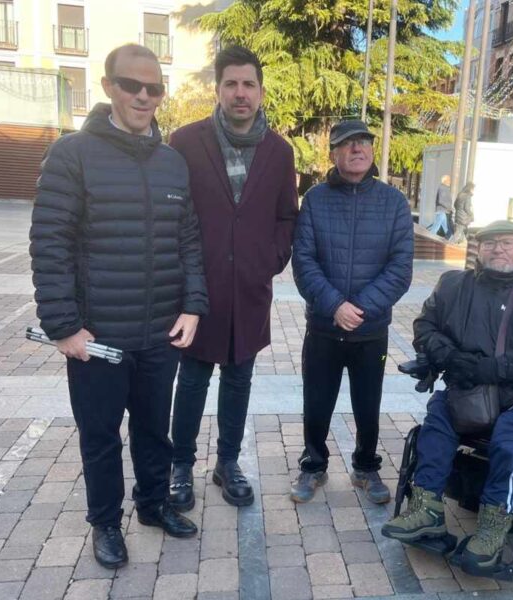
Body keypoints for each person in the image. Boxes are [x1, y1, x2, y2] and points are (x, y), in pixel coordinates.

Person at [30, 44, 207, 569]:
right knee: (101, 437)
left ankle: (152, 505)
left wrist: (193, 305)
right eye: (132, 85)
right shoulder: (72, 155)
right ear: (108, 87)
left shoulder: (172, 163)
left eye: (154, 88)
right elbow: (50, 243)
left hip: (159, 333)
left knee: (154, 430)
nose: (144, 96)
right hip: (98, 337)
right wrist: (63, 326)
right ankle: (106, 523)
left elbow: (189, 241)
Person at [381, 220, 513, 577]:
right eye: (489, 243)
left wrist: (494, 368)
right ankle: (426, 510)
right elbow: (425, 327)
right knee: (437, 423)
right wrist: (451, 357)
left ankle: (494, 526)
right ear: (478, 249)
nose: (498, 249)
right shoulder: (454, 286)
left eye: (507, 242)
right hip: (470, 386)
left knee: (512, 438)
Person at [166, 46, 298, 509]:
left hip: (250, 291)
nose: (240, 93)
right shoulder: (185, 142)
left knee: (239, 379)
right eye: (231, 84)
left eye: (248, 84)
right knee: (192, 380)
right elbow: (172, 212)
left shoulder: (280, 152)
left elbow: (287, 216)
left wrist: (269, 260)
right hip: (198, 290)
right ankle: (180, 466)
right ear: (218, 89)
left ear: (260, 91)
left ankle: (227, 462)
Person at [289, 120, 414, 504]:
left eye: (363, 142)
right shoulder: (315, 200)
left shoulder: (394, 203)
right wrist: (334, 306)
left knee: (368, 404)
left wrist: (358, 309)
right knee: (316, 402)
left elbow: (400, 268)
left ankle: (366, 466)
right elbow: (304, 261)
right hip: (324, 327)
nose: (357, 149)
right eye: (347, 144)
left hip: (370, 330)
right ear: (333, 154)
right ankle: (313, 465)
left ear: (372, 151)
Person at [428, 174, 453, 239]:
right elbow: (441, 201)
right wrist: (449, 207)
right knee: (436, 227)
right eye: (449, 180)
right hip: (442, 210)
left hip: (443, 211)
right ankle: (429, 238)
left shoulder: (444, 188)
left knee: (445, 227)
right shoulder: (443, 188)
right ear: (445, 181)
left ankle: (451, 239)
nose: (450, 182)